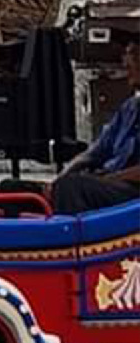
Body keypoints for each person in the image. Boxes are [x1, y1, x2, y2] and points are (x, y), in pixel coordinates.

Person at [51, 34, 140, 214]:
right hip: (108, 184)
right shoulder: (129, 108)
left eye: (133, 55)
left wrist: (108, 179)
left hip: (131, 195)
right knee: (14, 187)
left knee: (72, 188)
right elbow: (94, 153)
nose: (125, 63)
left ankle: (72, 239)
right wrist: (59, 179)